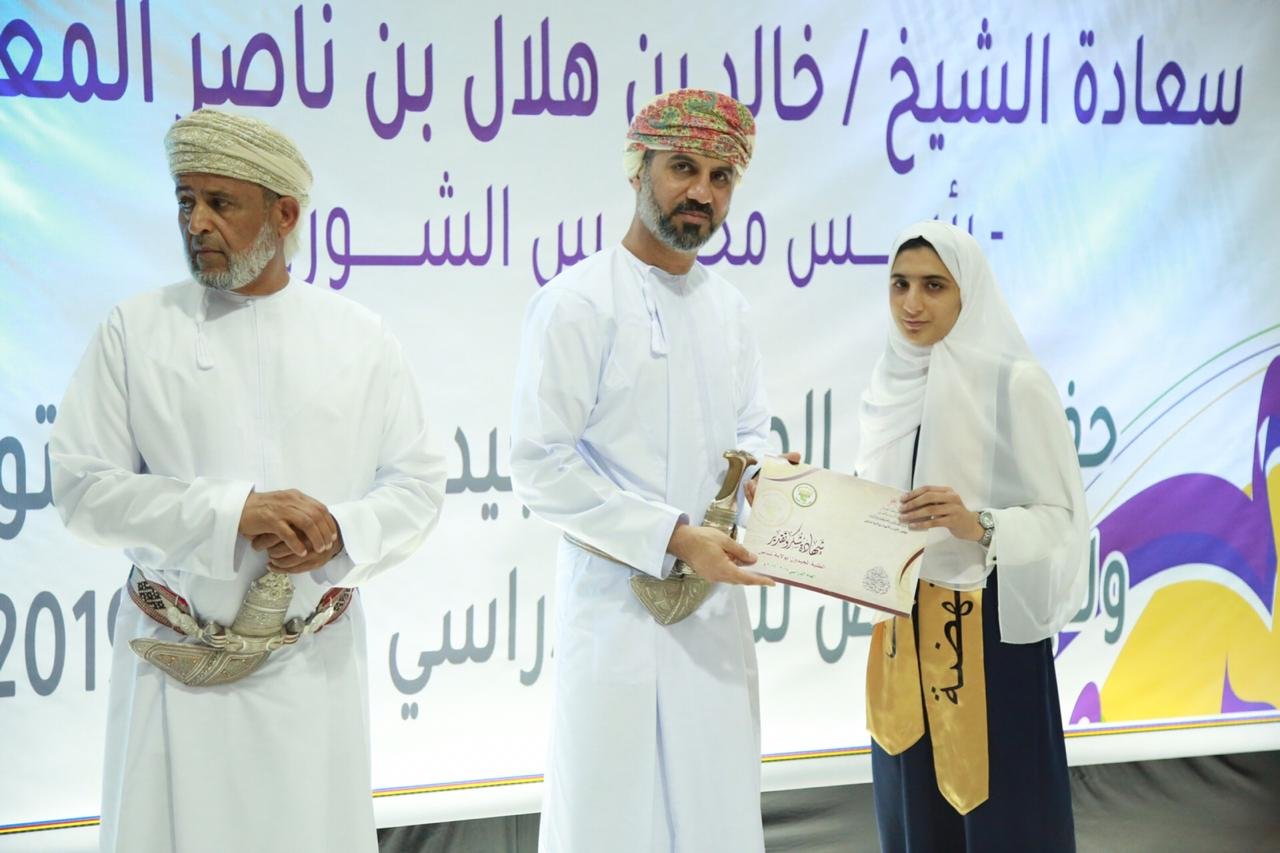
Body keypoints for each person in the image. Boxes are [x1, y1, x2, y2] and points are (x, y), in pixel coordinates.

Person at [49, 108, 446, 853]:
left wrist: (339, 530)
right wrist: (232, 513)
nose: (196, 222)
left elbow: (418, 487)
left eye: (219, 202)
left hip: (311, 676)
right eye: (185, 201)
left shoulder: (361, 338)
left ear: (283, 214)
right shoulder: (135, 330)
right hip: (175, 677)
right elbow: (81, 491)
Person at [510, 89, 781, 853]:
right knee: (611, 817)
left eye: (721, 177)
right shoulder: (576, 302)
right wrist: (671, 535)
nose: (702, 192)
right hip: (614, 612)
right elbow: (539, 464)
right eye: (683, 168)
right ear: (638, 170)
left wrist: (769, 482)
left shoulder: (730, 310)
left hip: (711, 619)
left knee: (716, 812)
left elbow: (750, 432)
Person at [857, 221, 1088, 852]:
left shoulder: (1015, 383)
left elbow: (1061, 517)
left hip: (988, 638)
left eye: (934, 286)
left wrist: (979, 524)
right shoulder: (889, 381)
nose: (912, 303)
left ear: (969, 293)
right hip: (901, 629)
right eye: (900, 284)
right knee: (915, 813)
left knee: (1003, 820)